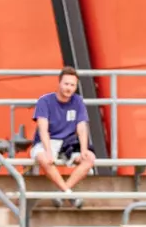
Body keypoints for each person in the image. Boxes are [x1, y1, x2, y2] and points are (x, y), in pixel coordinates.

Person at [30, 67, 97, 197]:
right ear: (59, 83)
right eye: (66, 84)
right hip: (48, 142)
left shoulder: (78, 101)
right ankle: (66, 192)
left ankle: (63, 191)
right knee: (44, 158)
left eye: (72, 85)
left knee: (89, 158)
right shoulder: (45, 101)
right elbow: (43, 129)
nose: (69, 88)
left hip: (68, 144)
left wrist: (83, 149)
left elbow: (82, 127)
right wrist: (48, 151)